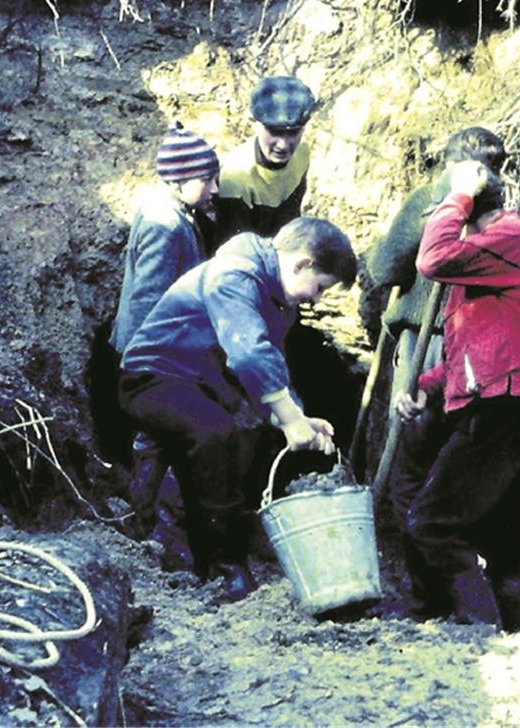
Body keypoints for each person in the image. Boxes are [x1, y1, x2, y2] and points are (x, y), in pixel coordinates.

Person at [119, 217, 356, 601]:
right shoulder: (236, 273)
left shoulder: (277, 296)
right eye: (321, 288)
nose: (317, 299)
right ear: (302, 263)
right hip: (152, 377)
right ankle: (224, 565)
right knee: (214, 434)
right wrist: (289, 419)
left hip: (203, 381)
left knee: (240, 433)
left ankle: (195, 544)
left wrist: (295, 416)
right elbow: (246, 352)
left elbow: (270, 364)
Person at [389, 159, 520, 631]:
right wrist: (423, 387)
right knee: (501, 529)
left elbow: (431, 259)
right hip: (504, 399)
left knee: (433, 521)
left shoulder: (514, 235)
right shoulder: (487, 268)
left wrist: (456, 195)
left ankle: (475, 622)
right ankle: (495, 611)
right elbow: (471, 352)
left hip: (505, 405)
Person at [364, 127, 507, 556]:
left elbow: (385, 267)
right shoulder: (504, 213)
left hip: (425, 342)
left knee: (406, 438)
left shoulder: (431, 199)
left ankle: (396, 542)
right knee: (447, 446)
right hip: (475, 346)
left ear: (449, 164)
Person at [108, 124, 221, 545]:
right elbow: (148, 299)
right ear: (178, 179)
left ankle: (146, 521)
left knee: (157, 438)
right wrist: (151, 361)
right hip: (154, 353)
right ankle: (140, 523)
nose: (214, 188)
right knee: (154, 437)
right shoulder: (164, 224)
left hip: (160, 351)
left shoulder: (173, 211)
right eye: (206, 180)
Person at [213, 75, 315, 246]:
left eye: (293, 133)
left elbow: (291, 217)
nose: (283, 145)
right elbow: (235, 249)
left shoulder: (302, 154)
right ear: (255, 123)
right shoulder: (235, 177)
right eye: (274, 132)